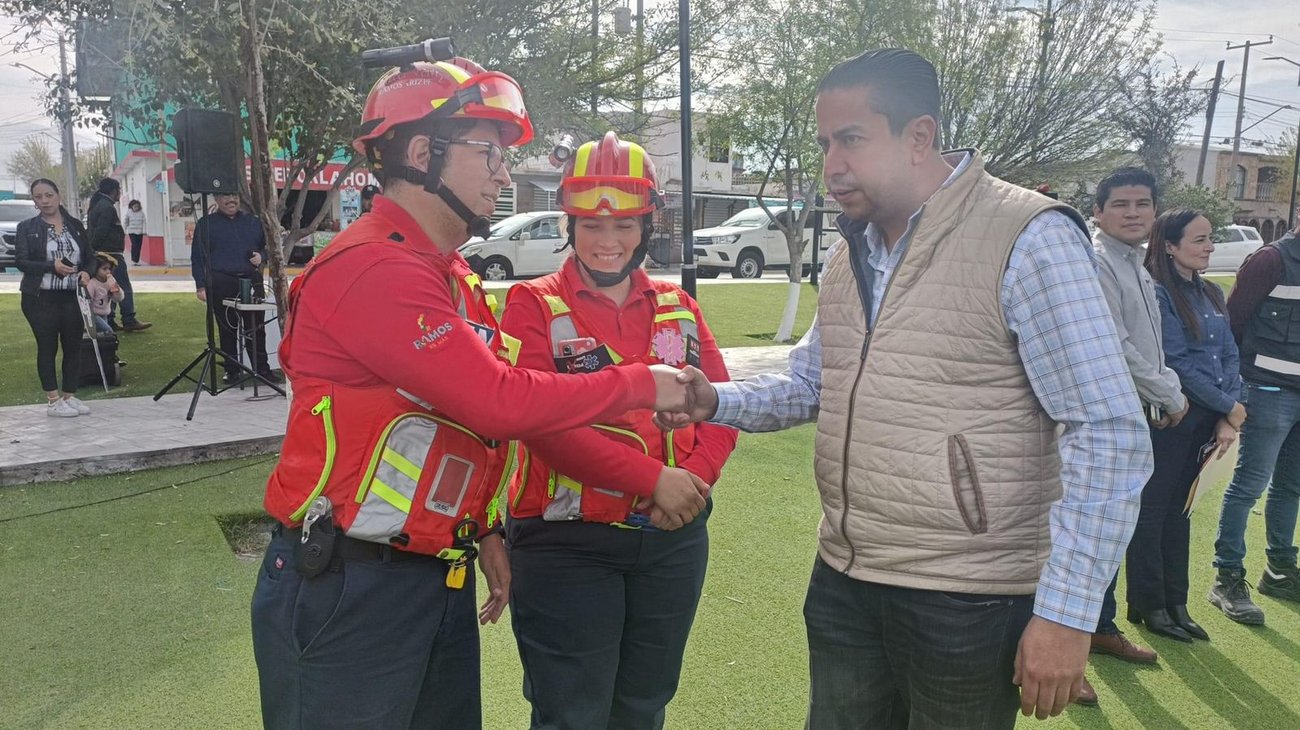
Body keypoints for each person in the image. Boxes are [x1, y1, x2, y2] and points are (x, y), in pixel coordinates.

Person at [659, 48, 1153, 726]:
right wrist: (714, 400)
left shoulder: (1028, 237)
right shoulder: (848, 252)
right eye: (825, 142)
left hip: (969, 597)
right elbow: (814, 383)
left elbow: (1108, 431)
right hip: (845, 576)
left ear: (919, 136)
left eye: (851, 139)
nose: (831, 163)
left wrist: (1066, 614)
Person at [249, 52, 703, 730]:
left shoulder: (450, 276)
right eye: (488, 150)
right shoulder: (374, 267)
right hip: (347, 582)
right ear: (423, 152)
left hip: (429, 572)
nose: (504, 170)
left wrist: (485, 526)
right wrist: (641, 383)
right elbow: (501, 400)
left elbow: (459, 421)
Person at [498, 132, 738, 730]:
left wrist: (690, 483)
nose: (608, 242)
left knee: (643, 706)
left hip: (671, 539)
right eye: (591, 226)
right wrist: (655, 479)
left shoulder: (677, 302)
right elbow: (538, 426)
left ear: (647, 225)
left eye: (625, 226)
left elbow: (722, 406)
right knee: (571, 713)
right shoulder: (532, 304)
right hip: (566, 543)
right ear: (570, 225)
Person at [1120, 208, 1243, 644]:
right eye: (1199, 240)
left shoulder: (1211, 292)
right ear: (1169, 245)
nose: (1209, 247)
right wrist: (1228, 403)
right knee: (1153, 511)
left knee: (1181, 511)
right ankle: (1148, 603)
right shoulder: (1158, 294)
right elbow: (1177, 361)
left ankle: (1176, 602)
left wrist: (1230, 411)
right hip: (1171, 416)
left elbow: (1229, 353)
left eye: (1210, 239)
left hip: (1209, 417)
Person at [1079, 167, 1172, 692]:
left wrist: (1163, 389)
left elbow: (1152, 344)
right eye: (1120, 204)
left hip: (1135, 414)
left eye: (1142, 203)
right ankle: (1065, 651)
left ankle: (1098, 628)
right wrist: (1170, 393)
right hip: (1098, 417)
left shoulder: (1137, 265)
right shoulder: (1097, 263)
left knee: (1113, 530)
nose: (1133, 212)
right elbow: (1114, 346)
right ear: (1098, 211)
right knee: (1085, 534)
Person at [1209, 221, 1300, 624]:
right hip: (1267, 392)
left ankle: (1280, 571)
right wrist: (1234, 390)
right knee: (1249, 485)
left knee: (1291, 487)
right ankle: (1227, 576)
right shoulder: (1269, 260)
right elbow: (1233, 324)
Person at [14, 178, 95, 417]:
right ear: (34, 201)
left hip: (72, 296)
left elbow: (90, 256)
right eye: (38, 197)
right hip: (40, 297)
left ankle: (69, 396)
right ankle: (52, 399)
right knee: (47, 346)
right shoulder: (27, 228)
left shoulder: (75, 225)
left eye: (48, 195)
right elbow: (21, 261)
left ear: (58, 195)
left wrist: (87, 272)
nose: (44, 201)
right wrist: (52, 266)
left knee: (73, 346)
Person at [190, 192, 279, 384]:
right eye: (225, 197)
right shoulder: (206, 224)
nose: (231, 201)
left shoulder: (253, 222)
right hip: (222, 280)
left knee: (256, 328)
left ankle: (261, 369)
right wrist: (200, 285)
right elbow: (197, 257)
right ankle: (232, 369)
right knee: (227, 328)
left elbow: (269, 247)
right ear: (216, 199)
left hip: (251, 279)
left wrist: (261, 256)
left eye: (234, 196)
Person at [86, 178, 151, 331]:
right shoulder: (107, 207)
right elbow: (101, 231)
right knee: (123, 286)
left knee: (109, 285)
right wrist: (95, 250)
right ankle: (129, 318)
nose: (120, 194)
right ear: (113, 191)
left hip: (104, 252)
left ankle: (111, 319)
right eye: (119, 190)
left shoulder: (98, 205)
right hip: (111, 253)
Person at [85, 252, 124, 334]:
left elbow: (118, 299)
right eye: (104, 269)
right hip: (93, 315)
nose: (108, 272)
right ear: (95, 269)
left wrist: (117, 291)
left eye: (109, 269)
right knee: (108, 331)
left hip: (104, 314)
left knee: (102, 336)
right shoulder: (92, 283)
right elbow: (87, 301)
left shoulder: (110, 281)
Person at [124, 199, 146, 264]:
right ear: (131, 206)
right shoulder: (129, 212)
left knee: (139, 246)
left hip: (140, 231)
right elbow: (126, 221)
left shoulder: (142, 213)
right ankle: (133, 259)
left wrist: (144, 231)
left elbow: (144, 222)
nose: (136, 208)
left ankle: (136, 260)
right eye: (135, 206)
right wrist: (124, 229)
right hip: (132, 231)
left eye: (137, 206)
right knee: (134, 245)